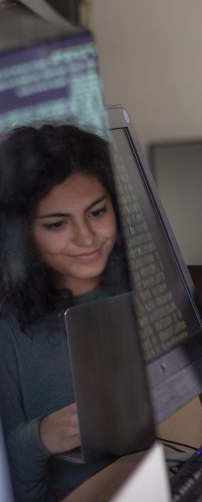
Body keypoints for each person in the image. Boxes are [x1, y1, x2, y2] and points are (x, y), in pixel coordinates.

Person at [0, 123, 129, 502]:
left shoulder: (149, 292)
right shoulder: (8, 333)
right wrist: (41, 436)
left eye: (97, 212)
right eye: (57, 224)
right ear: (22, 235)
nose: (86, 238)